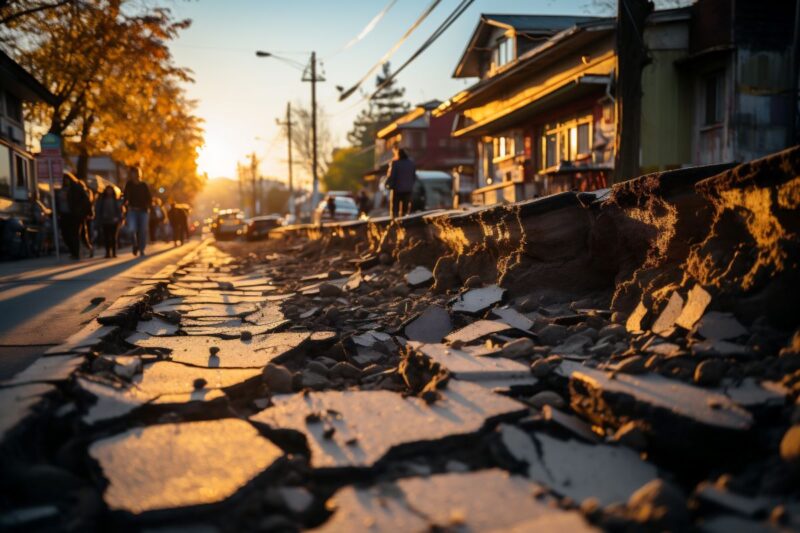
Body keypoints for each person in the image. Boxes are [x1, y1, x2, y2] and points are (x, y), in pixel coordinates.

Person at [58, 172, 92, 260]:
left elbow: (86, 200)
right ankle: (74, 251)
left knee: (75, 234)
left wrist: (84, 212)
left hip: (75, 215)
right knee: (65, 234)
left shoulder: (76, 188)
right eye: (64, 180)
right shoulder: (60, 189)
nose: (65, 181)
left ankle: (76, 253)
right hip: (64, 215)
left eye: (67, 179)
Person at [123, 166, 151, 256]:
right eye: (132, 173)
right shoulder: (129, 184)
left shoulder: (144, 185)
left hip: (143, 211)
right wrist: (124, 204)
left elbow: (149, 197)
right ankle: (135, 245)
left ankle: (142, 249)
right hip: (132, 211)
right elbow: (125, 196)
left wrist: (148, 206)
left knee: (142, 231)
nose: (134, 175)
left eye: (135, 173)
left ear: (139, 174)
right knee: (132, 229)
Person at [385, 147, 417, 218]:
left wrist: (387, 183)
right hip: (408, 190)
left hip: (397, 190)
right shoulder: (411, 163)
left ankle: (395, 223)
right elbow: (414, 177)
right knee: (405, 209)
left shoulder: (395, 163)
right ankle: (404, 224)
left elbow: (392, 176)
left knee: (395, 209)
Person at [95, 185, 123, 258]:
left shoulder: (115, 199)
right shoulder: (102, 199)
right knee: (106, 237)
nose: (109, 191)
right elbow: (98, 210)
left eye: (110, 190)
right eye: (108, 190)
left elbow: (119, 210)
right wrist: (99, 219)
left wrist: (119, 219)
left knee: (114, 237)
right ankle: (107, 252)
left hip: (114, 221)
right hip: (105, 221)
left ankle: (114, 252)